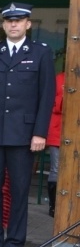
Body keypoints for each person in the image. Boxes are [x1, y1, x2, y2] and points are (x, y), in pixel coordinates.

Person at [0, 2, 55, 247]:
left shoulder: (41, 53)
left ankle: (14, 245)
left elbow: (46, 97)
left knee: (20, 192)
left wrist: (39, 133)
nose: (13, 25)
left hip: (24, 135)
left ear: (28, 24)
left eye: (19, 21)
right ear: (4, 24)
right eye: (9, 21)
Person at [46, 71, 65, 217]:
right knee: (56, 170)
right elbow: (50, 104)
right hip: (57, 130)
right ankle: (53, 207)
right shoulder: (58, 79)